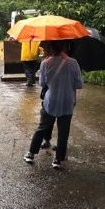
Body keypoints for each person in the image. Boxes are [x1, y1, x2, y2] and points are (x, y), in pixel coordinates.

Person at [24, 40, 84, 169]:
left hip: (50, 101)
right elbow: (79, 84)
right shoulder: (73, 63)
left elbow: (42, 83)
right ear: (64, 46)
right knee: (63, 133)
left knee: (42, 128)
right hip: (68, 101)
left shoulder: (45, 63)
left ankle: (31, 154)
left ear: (49, 46)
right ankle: (57, 160)